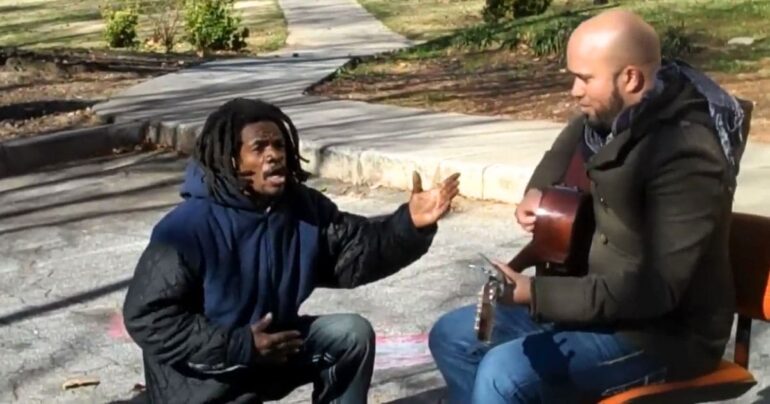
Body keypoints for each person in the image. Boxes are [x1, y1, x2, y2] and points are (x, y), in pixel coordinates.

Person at [429, 9, 751, 404]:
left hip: (663, 335)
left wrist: (535, 292)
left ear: (630, 77)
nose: (573, 90)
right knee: (453, 336)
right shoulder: (610, 115)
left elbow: (655, 291)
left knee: (505, 374)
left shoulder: (686, 156)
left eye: (584, 78)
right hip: (595, 305)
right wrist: (538, 193)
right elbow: (565, 147)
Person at [122, 97, 461, 404]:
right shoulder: (186, 228)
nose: (274, 155)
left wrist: (411, 224)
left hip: (273, 352)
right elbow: (147, 317)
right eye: (259, 148)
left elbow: (356, 253)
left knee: (350, 335)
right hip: (203, 379)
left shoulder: (301, 208)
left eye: (278, 145)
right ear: (231, 160)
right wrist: (239, 345)